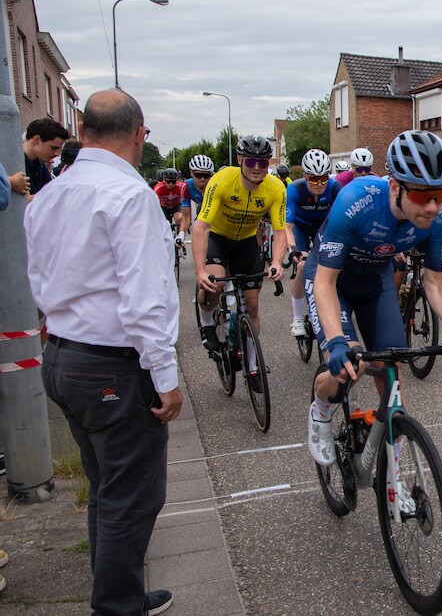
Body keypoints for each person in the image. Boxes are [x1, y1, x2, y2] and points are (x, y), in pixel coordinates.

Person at [24, 88, 178, 616]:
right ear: (139, 135)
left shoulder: (48, 195)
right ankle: (117, 607)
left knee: (106, 488)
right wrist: (166, 376)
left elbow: (38, 281)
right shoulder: (129, 196)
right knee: (130, 498)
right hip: (112, 365)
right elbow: (144, 300)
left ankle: (119, 593)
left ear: (83, 132)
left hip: (63, 359)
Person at [305, 130, 442, 471]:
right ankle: (321, 409)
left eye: (440, 193)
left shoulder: (439, 216)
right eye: (423, 194)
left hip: (375, 281)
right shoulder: (357, 200)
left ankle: (395, 478)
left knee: (390, 371)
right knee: (347, 369)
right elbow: (324, 281)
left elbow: (435, 280)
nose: (433, 205)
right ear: (395, 187)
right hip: (331, 280)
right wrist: (337, 341)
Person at [192, 134, 288, 392]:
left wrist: (277, 261)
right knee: (213, 285)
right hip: (218, 238)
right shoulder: (222, 181)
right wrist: (200, 270)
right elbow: (200, 227)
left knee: (253, 306)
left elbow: (280, 232)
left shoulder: (276, 187)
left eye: (263, 162)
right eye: (251, 162)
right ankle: (207, 321)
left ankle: (253, 364)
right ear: (240, 160)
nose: (257, 168)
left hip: (246, 242)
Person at [285, 149, 341, 336]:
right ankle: (297, 319)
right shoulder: (295, 189)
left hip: (322, 228)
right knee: (301, 267)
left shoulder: (334, 187)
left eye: (323, 178)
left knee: (336, 265)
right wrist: (293, 248)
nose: (319, 184)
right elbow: (287, 227)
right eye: (314, 179)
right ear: (305, 176)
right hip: (300, 228)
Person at [23, 117, 70, 195]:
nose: (57, 154)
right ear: (36, 140)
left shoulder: (39, 164)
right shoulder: (14, 162)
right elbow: (25, 200)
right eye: (54, 148)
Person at [179, 154, 215, 242]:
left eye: (206, 176)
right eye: (198, 175)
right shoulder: (187, 186)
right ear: (191, 173)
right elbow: (186, 217)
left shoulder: (215, 184)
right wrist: (181, 234)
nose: (202, 179)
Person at [152, 168, 187, 241]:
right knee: (164, 224)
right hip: (164, 207)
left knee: (179, 217)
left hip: (176, 206)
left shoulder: (180, 187)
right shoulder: (158, 188)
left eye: (173, 182)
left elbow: (185, 202)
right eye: (168, 181)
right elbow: (154, 203)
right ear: (164, 179)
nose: (171, 184)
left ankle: (179, 237)